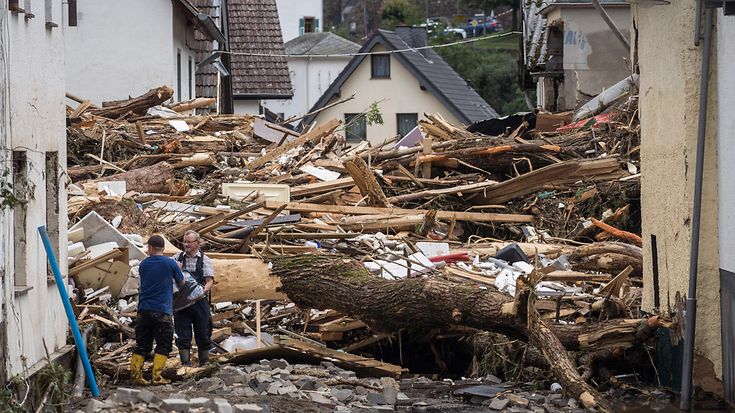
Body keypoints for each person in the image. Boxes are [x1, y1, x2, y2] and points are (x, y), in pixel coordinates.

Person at [129, 234, 185, 385]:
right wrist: (178, 269)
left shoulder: (143, 264)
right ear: (163, 248)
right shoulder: (171, 263)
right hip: (162, 310)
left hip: (143, 309)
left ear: (150, 248)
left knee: (142, 344)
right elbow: (181, 283)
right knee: (164, 344)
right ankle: (157, 376)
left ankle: (135, 376)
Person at [174, 230, 214, 366]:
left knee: (203, 330)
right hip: (181, 303)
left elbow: (209, 281)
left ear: (197, 243)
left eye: (189, 242)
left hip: (199, 302)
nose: (186, 245)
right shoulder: (177, 258)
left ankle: (204, 362)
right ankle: (185, 363)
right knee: (182, 331)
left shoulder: (205, 260)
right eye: (184, 242)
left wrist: (202, 291)